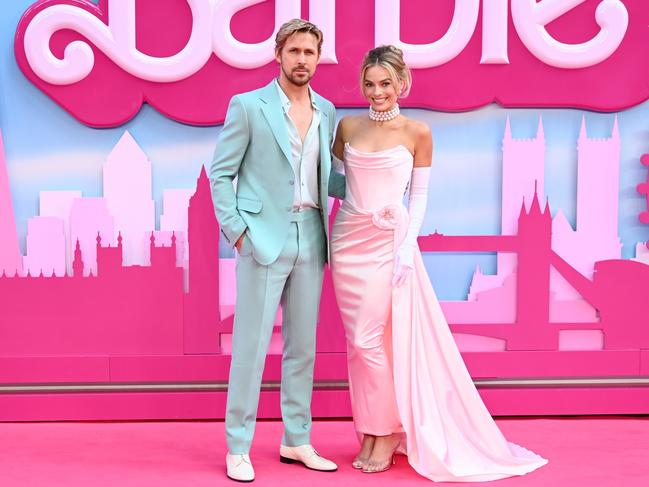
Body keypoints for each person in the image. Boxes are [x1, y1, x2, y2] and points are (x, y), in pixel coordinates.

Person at [329, 45, 548, 480]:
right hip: (348, 239)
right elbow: (335, 182)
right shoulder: (347, 127)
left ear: (401, 84)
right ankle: (372, 429)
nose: (377, 92)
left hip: (389, 241)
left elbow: (420, 195)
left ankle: (385, 431)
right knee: (359, 343)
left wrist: (407, 243)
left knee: (369, 340)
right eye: (369, 84)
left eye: (385, 84)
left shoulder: (418, 132)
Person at [210, 19, 338, 483]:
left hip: (313, 236)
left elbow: (330, 177)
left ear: (318, 57)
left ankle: (296, 439)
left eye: (310, 52)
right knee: (251, 346)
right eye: (295, 51)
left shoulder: (327, 108)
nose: (302, 59)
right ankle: (238, 446)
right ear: (278, 54)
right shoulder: (247, 107)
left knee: (302, 348)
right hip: (263, 238)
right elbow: (219, 174)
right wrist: (238, 231)